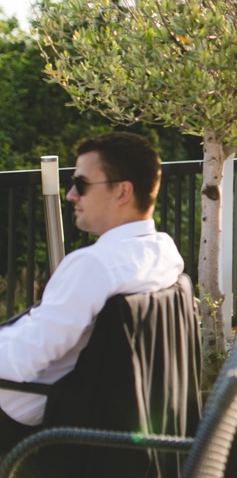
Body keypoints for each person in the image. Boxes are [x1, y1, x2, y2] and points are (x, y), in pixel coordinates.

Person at [0, 132, 186, 450]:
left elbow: (23, 361)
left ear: (122, 191)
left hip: (30, 418)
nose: (71, 195)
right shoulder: (163, 252)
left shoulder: (94, 266)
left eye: (82, 184)